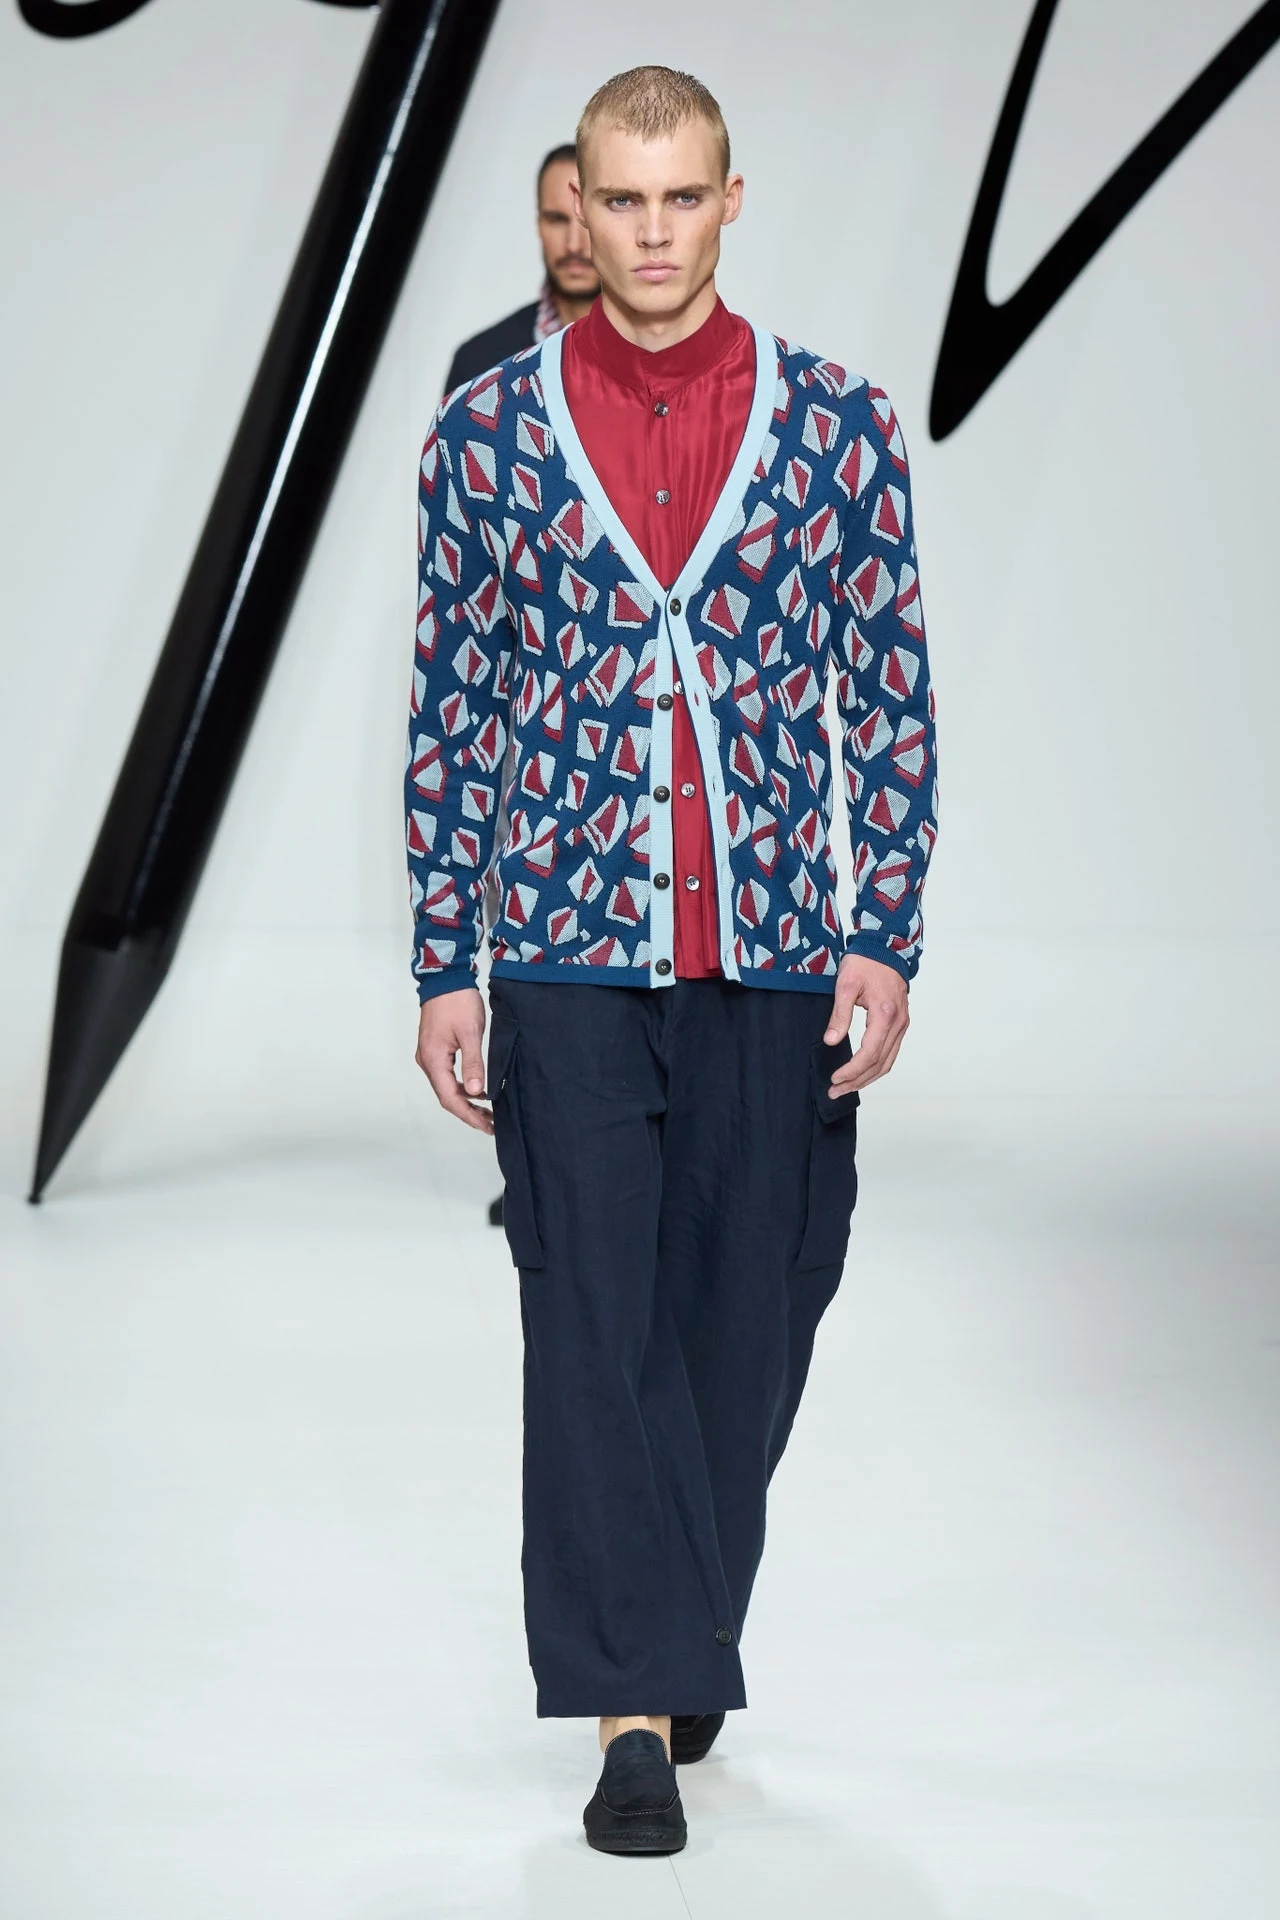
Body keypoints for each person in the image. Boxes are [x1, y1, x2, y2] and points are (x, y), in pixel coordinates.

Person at [406, 66, 937, 1855]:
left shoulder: (840, 425)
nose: (647, 234)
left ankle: (682, 1599)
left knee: (754, 1296)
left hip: (772, 939)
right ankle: (631, 1703)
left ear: (729, 200)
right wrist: (446, 955)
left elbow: (890, 691)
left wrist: (886, 928)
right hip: (562, 944)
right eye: (619, 202)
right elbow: (454, 707)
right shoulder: (486, 436)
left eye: (679, 199)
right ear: (584, 207)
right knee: (590, 1311)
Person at [441, 143, 600, 395]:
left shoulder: (660, 348)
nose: (573, 245)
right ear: (539, 224)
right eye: (557, 220)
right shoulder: (478, 365)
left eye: (587, 220)